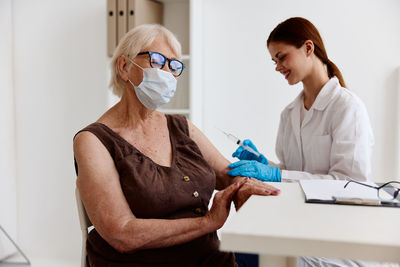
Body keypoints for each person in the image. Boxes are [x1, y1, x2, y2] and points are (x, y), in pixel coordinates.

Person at [73, 24, 279, 267]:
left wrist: (244, 186)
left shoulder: (182, 127)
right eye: (157, 60)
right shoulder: (93, 141)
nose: (167, 73)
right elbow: (122, 233)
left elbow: (227, 174)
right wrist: (208, 222)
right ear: (124, 66)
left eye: (173, 66)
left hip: (210, 258)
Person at [227, 17, 389, 267]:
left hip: (337, 234)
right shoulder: (290, 114)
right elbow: (297, 172)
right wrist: (268, 165)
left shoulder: (347, 108)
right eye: (274, 61)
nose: (277, 67)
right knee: (241, 252)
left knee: (257, 257)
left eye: (281, 57)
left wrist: (275, 174)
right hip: (296, 224)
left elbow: (348, 184)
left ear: (308, 48)